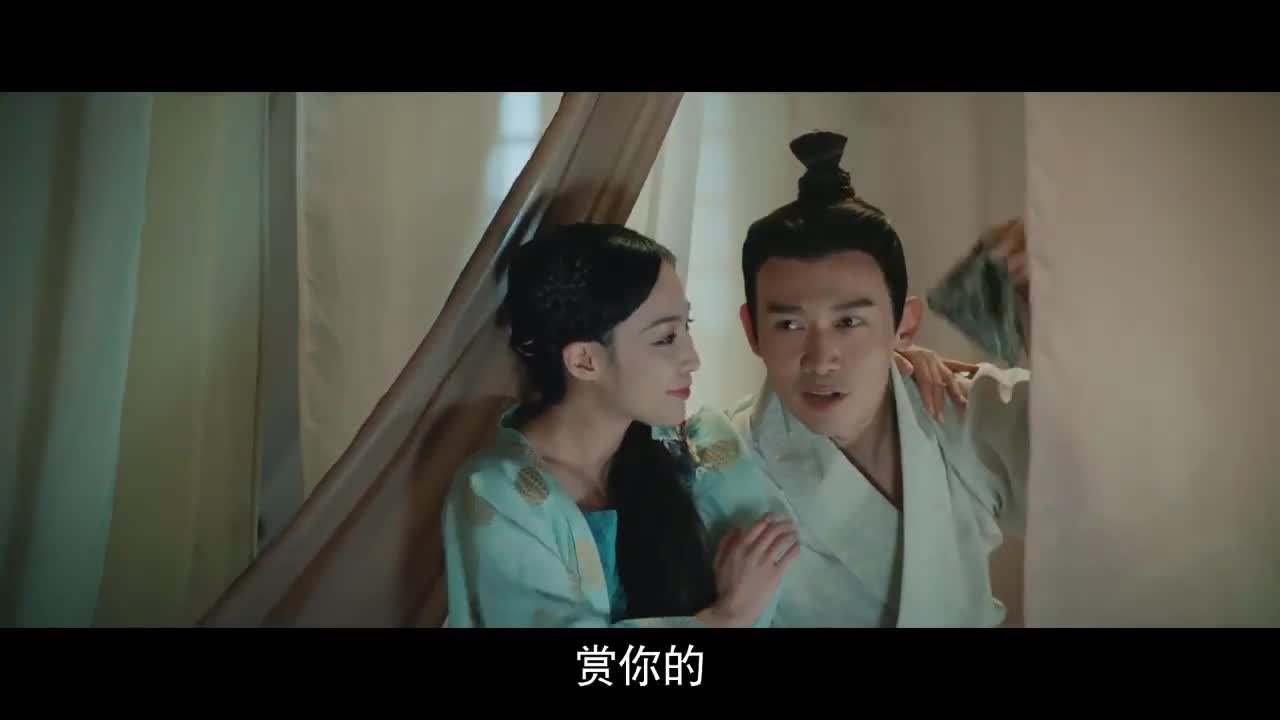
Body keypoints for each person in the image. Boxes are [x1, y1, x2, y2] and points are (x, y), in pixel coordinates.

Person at [440, 221, 971, 627]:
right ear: (584, 360)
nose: (691, 358)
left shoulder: (702, 453)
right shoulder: (498, 495)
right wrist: (723, 620)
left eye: (686, 328)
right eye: (665, 338)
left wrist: (886, 359)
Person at [725, 130, 1032, 628]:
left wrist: (1054, 302)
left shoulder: (959, 408)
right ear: (751, 330)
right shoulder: (720, 459)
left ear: (904, 326)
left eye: (849, 322)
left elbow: (1103, 467)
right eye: (790, 325)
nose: (821, 360)